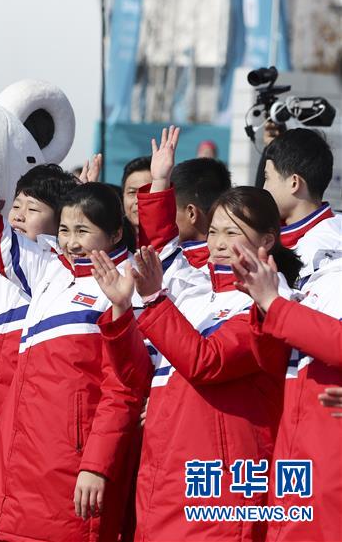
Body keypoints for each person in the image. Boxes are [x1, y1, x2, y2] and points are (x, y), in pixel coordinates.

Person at [0, 124, 144, 542]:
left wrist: (95, 464)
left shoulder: (129, 285)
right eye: (66, 231)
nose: (72, 243)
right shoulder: (48, 270)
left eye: (83, 231)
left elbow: (124, 390)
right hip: (20, 475)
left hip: (71, 477)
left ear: (114, 234)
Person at [123, 128, 302, 541]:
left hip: (221, 483)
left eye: (233, 233)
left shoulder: (272, 302)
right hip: (169, 467)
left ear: (267, 241)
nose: (219, 244)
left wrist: (153, 302)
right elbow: (162, 251)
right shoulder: (202, 289)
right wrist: (161, 183)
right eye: (215, 231)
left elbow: (208, 362)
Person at [233, 244, 341, 541]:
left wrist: (275, 303)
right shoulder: (319, 279)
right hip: (296, 457)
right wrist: (265, 307)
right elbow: (274, 363)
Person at [261, 127, 341, 288]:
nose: (263, 188)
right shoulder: (273, 234)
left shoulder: (328, 245)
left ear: (294, 183)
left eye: (267, 178)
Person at [120, 156, 151, 234]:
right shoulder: (111, 242)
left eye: (146, 193)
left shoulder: (174, 243)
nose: (138, 200)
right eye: (132, 192)